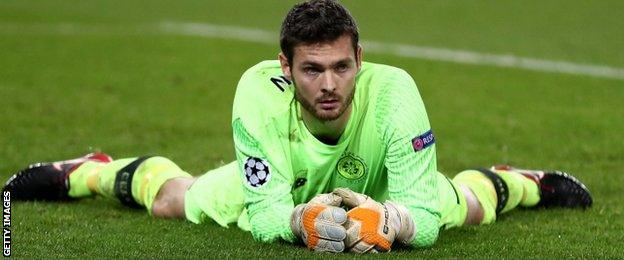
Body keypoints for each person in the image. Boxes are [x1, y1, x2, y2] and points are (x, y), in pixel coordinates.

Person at [3, 0, 592, 253]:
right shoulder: (258, 94)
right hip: (282, 188)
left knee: (460, 205)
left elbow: (424, 217)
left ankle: (522, 183)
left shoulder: (396, 93)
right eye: (312, 70)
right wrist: (298, 220)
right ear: (286, 67)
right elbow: (263, 215)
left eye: (342, 67)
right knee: (173, 201)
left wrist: (394, 220)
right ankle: (92, 173)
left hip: (378, 188)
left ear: (360, 57)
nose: (330, 85)